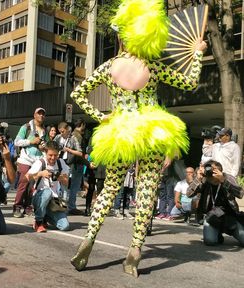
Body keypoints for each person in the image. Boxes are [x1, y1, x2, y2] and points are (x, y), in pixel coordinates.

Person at [69, 0, 207, 277]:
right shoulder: (152, 67)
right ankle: (133, 252)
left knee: (109, 190)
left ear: (121, 35)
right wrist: (197, 54)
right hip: (152, 129)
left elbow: (77, 94)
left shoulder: (109, 67)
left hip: (120, 130)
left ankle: (88, 239)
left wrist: (102, 116)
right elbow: (190, 83)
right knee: (146, 192)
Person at [187, 160, 244, 246]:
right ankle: (216, 234)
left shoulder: (227, 178)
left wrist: (223, 180)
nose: (210, 172)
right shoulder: (204, 179)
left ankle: (228, 230)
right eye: (208, 169)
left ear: (220, 171)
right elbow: (189, 194)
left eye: (213, 170)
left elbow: (240, 194)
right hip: (211, 217)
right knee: (210, 241)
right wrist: (198, 179)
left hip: (229, 216)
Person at [26, 141, 70, 232]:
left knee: (65, 226)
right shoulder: (40, 162)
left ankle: (45, 215)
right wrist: (40, 173)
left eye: (55, 155)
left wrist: (58, 177)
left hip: (54, 201)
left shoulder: (61, 163)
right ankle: (38, 222)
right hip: (39, 196)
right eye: (50, 155)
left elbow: (67, 182)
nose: (53, 158)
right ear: (45, 153)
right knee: (47, 192)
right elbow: (27, 177)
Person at [13, 107, 46, 218]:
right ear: (34, 115)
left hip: (37, 161)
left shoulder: (44, 130)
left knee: (32, 184)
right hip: (25, 159)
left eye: (43, 114)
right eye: (39, 113)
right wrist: (30, 141)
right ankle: (17, 206)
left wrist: (43, 147)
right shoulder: (26, 127)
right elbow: (16, 142)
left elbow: (43, 146)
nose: (41, 115)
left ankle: (28, 206)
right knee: (23, 182)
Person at [54, 121, 84, 215]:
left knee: (66, 187)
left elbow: (80, 153)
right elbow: (51, 147)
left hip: (69, 164)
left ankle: (66, 208)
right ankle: (60, 206)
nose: (61, 134)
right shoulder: (58, 138)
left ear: (67, 130)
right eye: (60, 132)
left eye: (63, 131)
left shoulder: (73, 138)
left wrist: (69, 150)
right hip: (58, 163)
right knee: (59, 187)